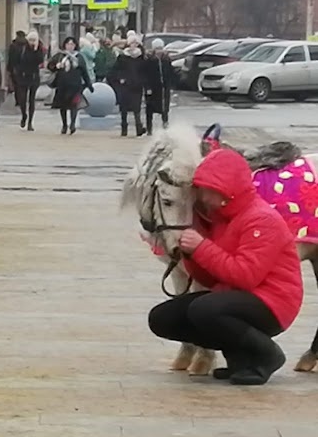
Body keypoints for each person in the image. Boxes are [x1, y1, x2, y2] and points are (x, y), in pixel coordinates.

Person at [147, 147, 305, 385]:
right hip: (236, 297)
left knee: (205, 310)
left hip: (273, 302)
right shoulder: (222, 219)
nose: (202, 198)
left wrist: (201, 247)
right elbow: (213, 279)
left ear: (227, 191)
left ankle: (267, 355)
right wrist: (190, 255)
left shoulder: (261, 219)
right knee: (164, 318)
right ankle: (240, 359)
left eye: (208, 191)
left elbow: (245, 276)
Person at [7, 29, 45, 130]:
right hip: (22, 76)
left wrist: (36, 49)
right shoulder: (22, 47)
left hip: (34, 76)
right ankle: (24, 115)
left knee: (32, 100)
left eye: (34, 40)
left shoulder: (39, 48)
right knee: (22, 99)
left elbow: (40, 60)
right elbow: (16, 60)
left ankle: (30, 123)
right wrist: (12, 72)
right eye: (31, 40)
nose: (32, 42)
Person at [49, 37, 87, 135]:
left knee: (74, 105)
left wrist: (89, 84)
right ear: (65, 45)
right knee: (63, 106)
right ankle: (64, 124)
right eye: (68, 44)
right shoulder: (60, 56)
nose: (70, 46)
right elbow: (50, 66)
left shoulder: (79, 57)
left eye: (72, 44)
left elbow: (84, 71)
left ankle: (72, 124)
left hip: (75, 85)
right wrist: (56, 66)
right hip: (62, 85)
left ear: (75, 46)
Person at [112, 41, 145, 137]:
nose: (133, 46)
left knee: (137, 108)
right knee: (124, 108)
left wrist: (142, 82)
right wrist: (120, 78)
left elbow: (145, 72)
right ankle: (124, 128)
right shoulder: (122, 57)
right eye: (131, 43)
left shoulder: (141, 57)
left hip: (137, 86)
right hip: (125, 86)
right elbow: (115, 71)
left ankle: (139, 128)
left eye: (135, 43)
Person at [141, 42, 177, 131]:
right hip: (153, 88)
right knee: (150, 108)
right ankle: (149, 128)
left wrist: (171, 84)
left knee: (165, 107)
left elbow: (170, 73)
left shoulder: (166, 60)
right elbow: (145, 74)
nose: (159, 51)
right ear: (154, 49)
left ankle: (165, 124)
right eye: (157, 48)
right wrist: (147, 87)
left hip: (164, 88)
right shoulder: (149, 60)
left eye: (160, 48)